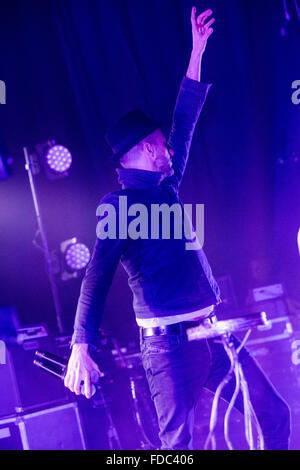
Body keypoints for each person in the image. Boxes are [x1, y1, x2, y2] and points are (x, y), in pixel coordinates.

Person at [64, 7, 291, 450]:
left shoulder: (165, 185)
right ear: (148, 151)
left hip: (211, 334)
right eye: (162, 145)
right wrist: (80, 345)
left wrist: (197, 52)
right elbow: (96, 279)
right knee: (179, 449)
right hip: (169, 353)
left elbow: (184, 125)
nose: (170, 148)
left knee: (275, 414)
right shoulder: (118, 207)